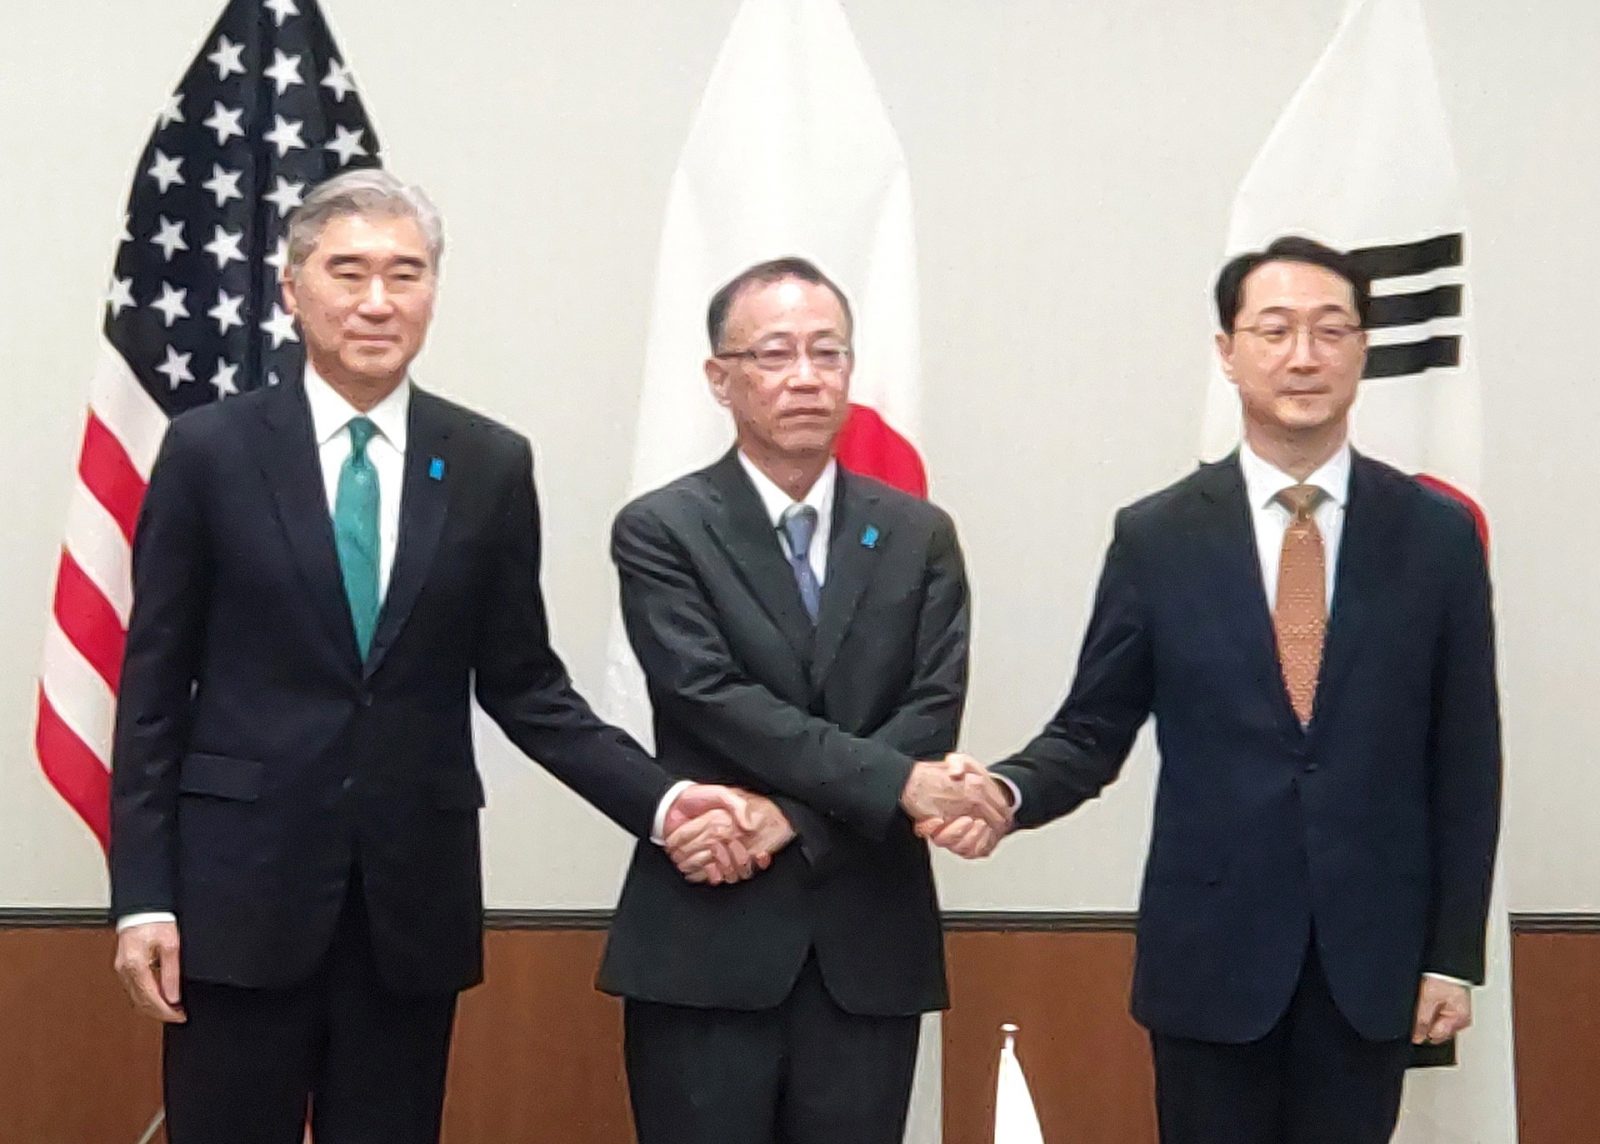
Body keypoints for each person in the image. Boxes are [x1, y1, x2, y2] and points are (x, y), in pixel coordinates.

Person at [108, 168, 754, 1144]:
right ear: (292, 288)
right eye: (349, 272)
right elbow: (153, 690)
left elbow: (527, 685)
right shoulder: (212, 451)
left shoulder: (490, 463)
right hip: (237, 904)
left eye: (404, 274)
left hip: (407, 911)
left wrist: (663, 801)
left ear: (433, 292)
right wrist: (144, 896)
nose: (377, 301)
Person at [930, 236, 1502, 1144]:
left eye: (1330, 329)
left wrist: (1451, 957)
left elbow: (1468, 762)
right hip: (1211, 955)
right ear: (1227, 352)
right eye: (1273, 330)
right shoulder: (1159, 536)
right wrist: (1005, 793)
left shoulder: (1437, 536)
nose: (1303, 355)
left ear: (1363, 349)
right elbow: (1092, 728)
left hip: (1370, 962)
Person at [597, 257, 1005, 1144]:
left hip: (867, 939)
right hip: (709, 939)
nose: (807, 376)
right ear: (721, 378)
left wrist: (790, 819)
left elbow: (930, 714)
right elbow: (709, 696)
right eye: (775, 354)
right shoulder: (663, 528)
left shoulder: (916, 533)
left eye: (828, 353)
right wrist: (868, 790)